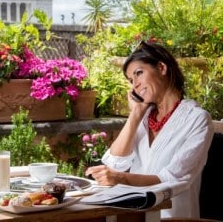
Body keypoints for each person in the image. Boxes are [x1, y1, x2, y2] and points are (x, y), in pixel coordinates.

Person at [85, 41, 214, 218]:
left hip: (172, 217)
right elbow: (114, 164)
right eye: (131, 80)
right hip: (133, 214)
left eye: (139, 73)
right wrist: (136, 114)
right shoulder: (145, 117)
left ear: (161, 67)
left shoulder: (197, 119)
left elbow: (174, 179)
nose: (135, 85)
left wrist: (121, 178)